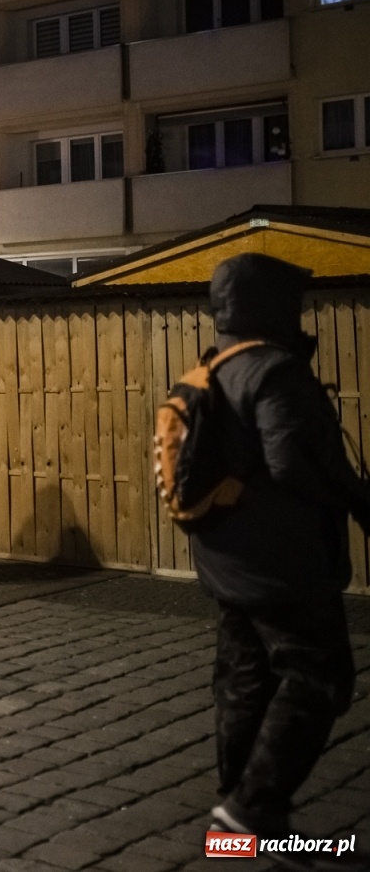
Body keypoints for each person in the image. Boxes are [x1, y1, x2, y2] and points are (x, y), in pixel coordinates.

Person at [189, 255, 370, 847]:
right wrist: (354, 500)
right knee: (320, 676)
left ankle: (234, 811)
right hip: (282, 561)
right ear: (272, 306)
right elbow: (290, 461)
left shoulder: (212, 367)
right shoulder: (274, 370)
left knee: (244, 679)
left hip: (226, 558)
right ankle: (252, 805)